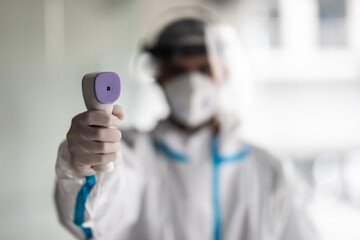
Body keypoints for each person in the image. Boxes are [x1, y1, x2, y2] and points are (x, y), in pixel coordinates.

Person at [55, 8, 318, 240]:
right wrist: (90, 168)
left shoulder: (269, 171)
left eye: (204, 69)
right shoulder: (132, 154)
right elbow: (98, 220)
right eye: (179, 70)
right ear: (158, 76)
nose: (192, 82)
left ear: (223, 73)